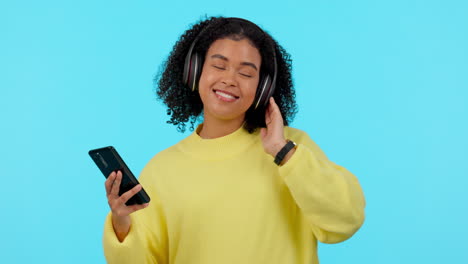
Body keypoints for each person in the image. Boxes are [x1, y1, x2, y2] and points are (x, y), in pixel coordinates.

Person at [102, 16, 366, 264]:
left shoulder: (292, 148)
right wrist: (121, 223)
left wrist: (282, 152)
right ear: (195, 72)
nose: (229, 79)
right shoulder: (162, 169)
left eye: (247, 73)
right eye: (218, 65)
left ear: (262, 87)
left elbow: (344, 221)